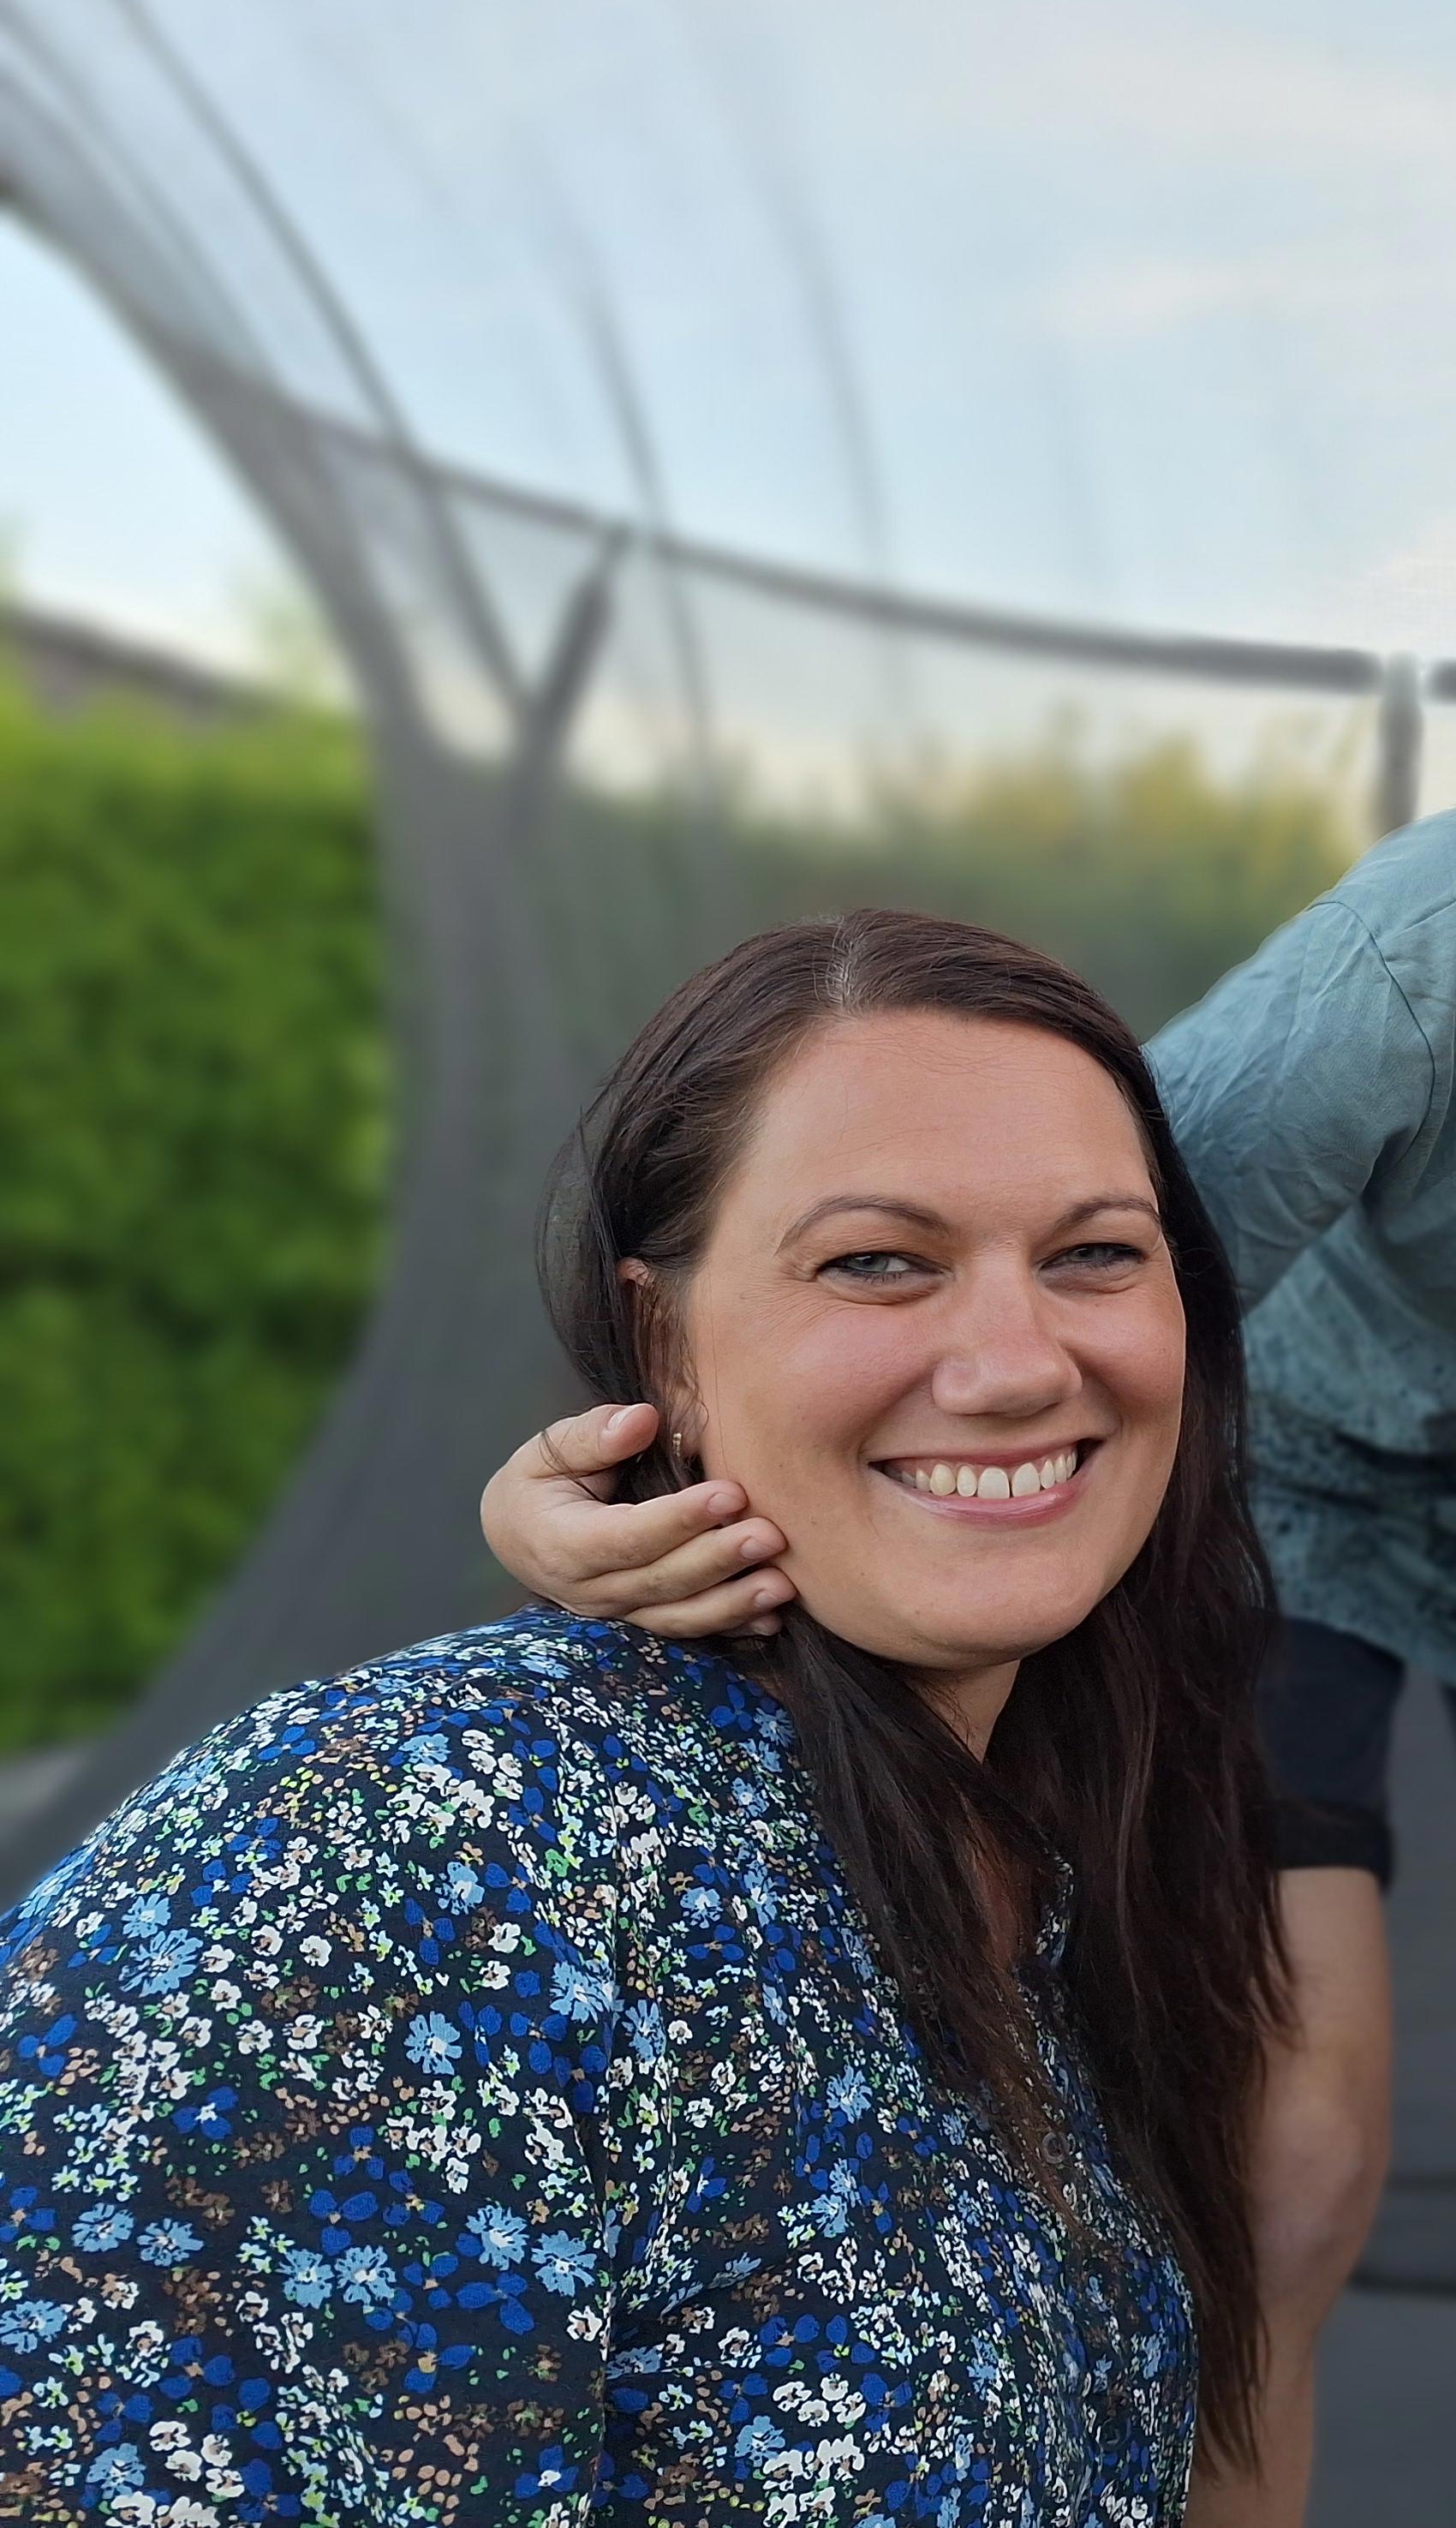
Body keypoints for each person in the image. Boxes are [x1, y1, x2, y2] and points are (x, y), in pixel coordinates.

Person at [475, 181, 1456, 2528]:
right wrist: (596, 1474)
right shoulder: (1417, 975)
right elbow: (1073, 1282)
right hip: (1293, 1500)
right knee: (1300, 2153)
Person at [0, 910, 1285, 2520]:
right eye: (878, 1262)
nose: (1019, 1361)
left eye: (1095, 1252)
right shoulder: (415, 1859)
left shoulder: (1064, 1852)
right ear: (663, 1336)